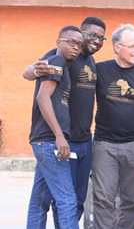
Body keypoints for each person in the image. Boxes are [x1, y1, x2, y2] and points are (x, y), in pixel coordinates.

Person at [22, 16, 106, 227]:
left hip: (82, 139)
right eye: (92, 35)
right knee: (65, 201)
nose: (96, 40)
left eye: (101, 38)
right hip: (59, 140)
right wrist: (33, 71)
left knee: (64, 201)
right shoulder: (60, 56)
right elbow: (31, 73)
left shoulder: (90, 62)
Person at [93, 24, 134, 229]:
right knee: (103, 197)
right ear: (116, 47)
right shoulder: (100, 70)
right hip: (104, 145)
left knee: (131, 199)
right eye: (131, 46)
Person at [26, 26, 84, 229]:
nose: (76, 47)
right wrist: (60, 136)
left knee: (39, 200)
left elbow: (29, 73)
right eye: (71, 42)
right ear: (58, 42)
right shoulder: (57, 61)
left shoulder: (55, 61)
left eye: (79, 44)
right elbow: (43, 97)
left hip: (44, 141)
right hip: (50, 141)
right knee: (67, 199)